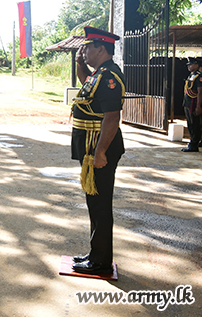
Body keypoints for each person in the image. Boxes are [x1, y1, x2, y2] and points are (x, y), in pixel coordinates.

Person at [70, 27, 125, 275]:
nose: (84, 51)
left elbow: (112, 117)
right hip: (90, 146)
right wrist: (79, 64)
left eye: (88, 48)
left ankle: (100, 260)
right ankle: (95, 253)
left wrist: (101, 152)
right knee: (94, 201)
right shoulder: (99, 74)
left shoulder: (110, 76)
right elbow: (87, 86)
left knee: (100, 204)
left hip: (99, 147)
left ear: (101, 49)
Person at [181, 57, 202, 152]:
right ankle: (193, 141)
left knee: (194, 124)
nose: (189, 66)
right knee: (190, 124)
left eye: (191, 64)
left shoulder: (199, 76)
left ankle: (194, 144)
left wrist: (198, 106)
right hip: (188, 102)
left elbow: (200, 92)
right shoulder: (191, 75)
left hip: (194, 103)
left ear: (197, 65)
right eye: (188, 65)